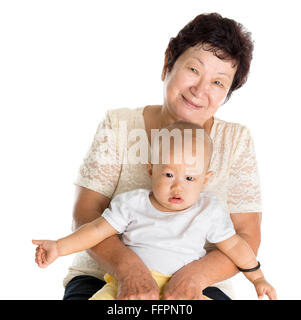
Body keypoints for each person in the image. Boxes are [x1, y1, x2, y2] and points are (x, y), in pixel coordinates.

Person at [61, 12, 263, 300]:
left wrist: (195, 276)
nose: (200, 90)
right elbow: (85, 214)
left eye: (218, 83)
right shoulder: (119, 126)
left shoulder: (235, 141)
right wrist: (129, 269)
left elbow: (246, 236)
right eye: (194, 69)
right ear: (169, 61)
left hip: (200, 285)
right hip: (104, 277)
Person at [33, 122, 276, 300]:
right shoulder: (133, 204)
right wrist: (59, 246)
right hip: (126, 289)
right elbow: (96, 230)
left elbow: (235, 246)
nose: (178, 185)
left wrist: (258, 278)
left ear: (205, 180)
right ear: (151, 170)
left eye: (190, 177)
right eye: (169, 174)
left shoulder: (208, 210)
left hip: (183, 290)